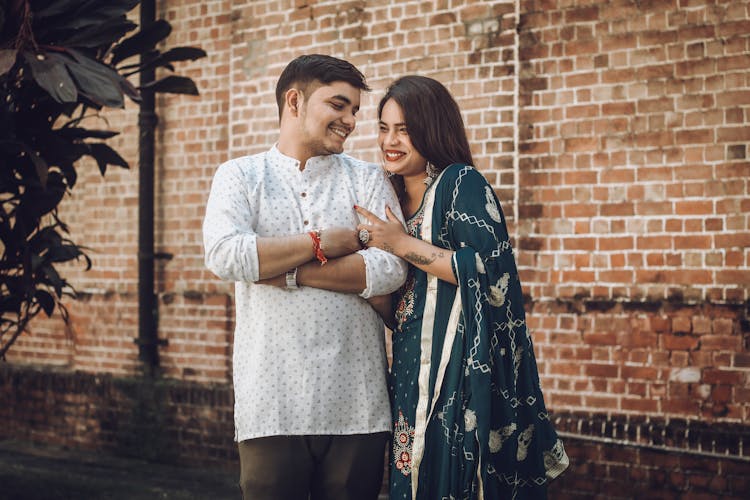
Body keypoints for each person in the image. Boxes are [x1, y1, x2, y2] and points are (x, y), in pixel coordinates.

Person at [202, 54, 408, 500]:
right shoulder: (240, 176)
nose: (350, 121)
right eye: (338, 105)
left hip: (358, 402)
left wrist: (288, 270)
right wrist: (325, 242)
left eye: (354, 110)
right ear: (294, 101)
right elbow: (225, 255)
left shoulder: (368, 178)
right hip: (271, 402)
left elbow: (390, 267)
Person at [353, 75, 569, 499]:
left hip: (462, 371)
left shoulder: (461, 184)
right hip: (410, 369)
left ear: (432, 129)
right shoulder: (390, 197)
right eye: (383, 128)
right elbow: (405, 302)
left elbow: (488, 273)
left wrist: (399, 242)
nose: (390, 141)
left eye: (404, 129)